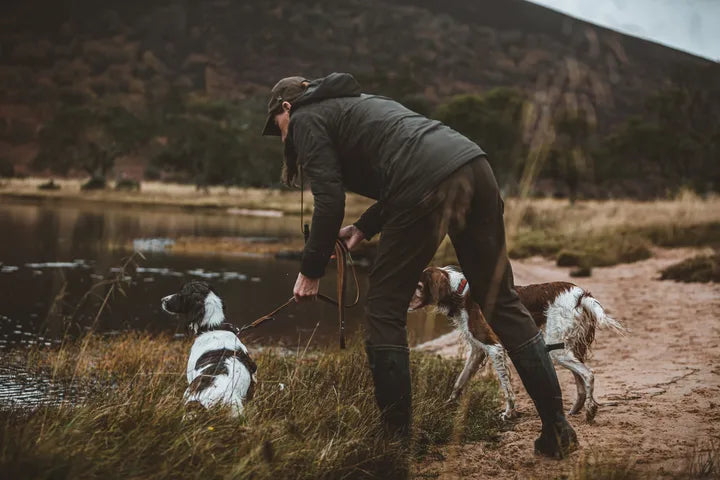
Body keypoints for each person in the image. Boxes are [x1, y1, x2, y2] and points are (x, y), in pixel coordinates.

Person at [261, 72, 578, 458]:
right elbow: (405, 167)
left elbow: (329, 202)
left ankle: (397, 445)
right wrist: (363, 228)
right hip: (475, 167)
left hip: (428, 182)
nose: (281, 136)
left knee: (385, 310)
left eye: (276, 125)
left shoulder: (306, 120)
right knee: (501, 300)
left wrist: (310, 271)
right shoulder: (361, 104)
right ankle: (557, 428)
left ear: (287, 107)